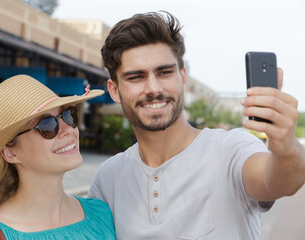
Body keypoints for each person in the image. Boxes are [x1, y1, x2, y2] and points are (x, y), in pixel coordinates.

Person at [87, 11, 305, 239]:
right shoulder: (108, 177)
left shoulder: (231, 149)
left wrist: (287, 148)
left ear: (182, 77)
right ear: (114, 90)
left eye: (164, 72)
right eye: (136, 77)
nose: (153, 88)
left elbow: (279, 182)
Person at [0, 75, 116, 240]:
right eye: (48, 125)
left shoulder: (102, 214)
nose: (68, 130)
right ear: (10, 152)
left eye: (68, 115)